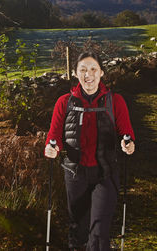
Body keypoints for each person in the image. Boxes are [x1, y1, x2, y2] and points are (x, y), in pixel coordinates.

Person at [44, 51, 135, 251]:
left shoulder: (115, 101)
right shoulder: (64, 103)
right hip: (75, 174)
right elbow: (54, 138)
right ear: (75, 74)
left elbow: (127, 134)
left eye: (93, 69)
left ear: (101, 72)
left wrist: (128, 144)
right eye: (83, 70)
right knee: (79, 231)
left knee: (99, 231)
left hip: (106, 173)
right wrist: (51, 148)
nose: (88, 74)